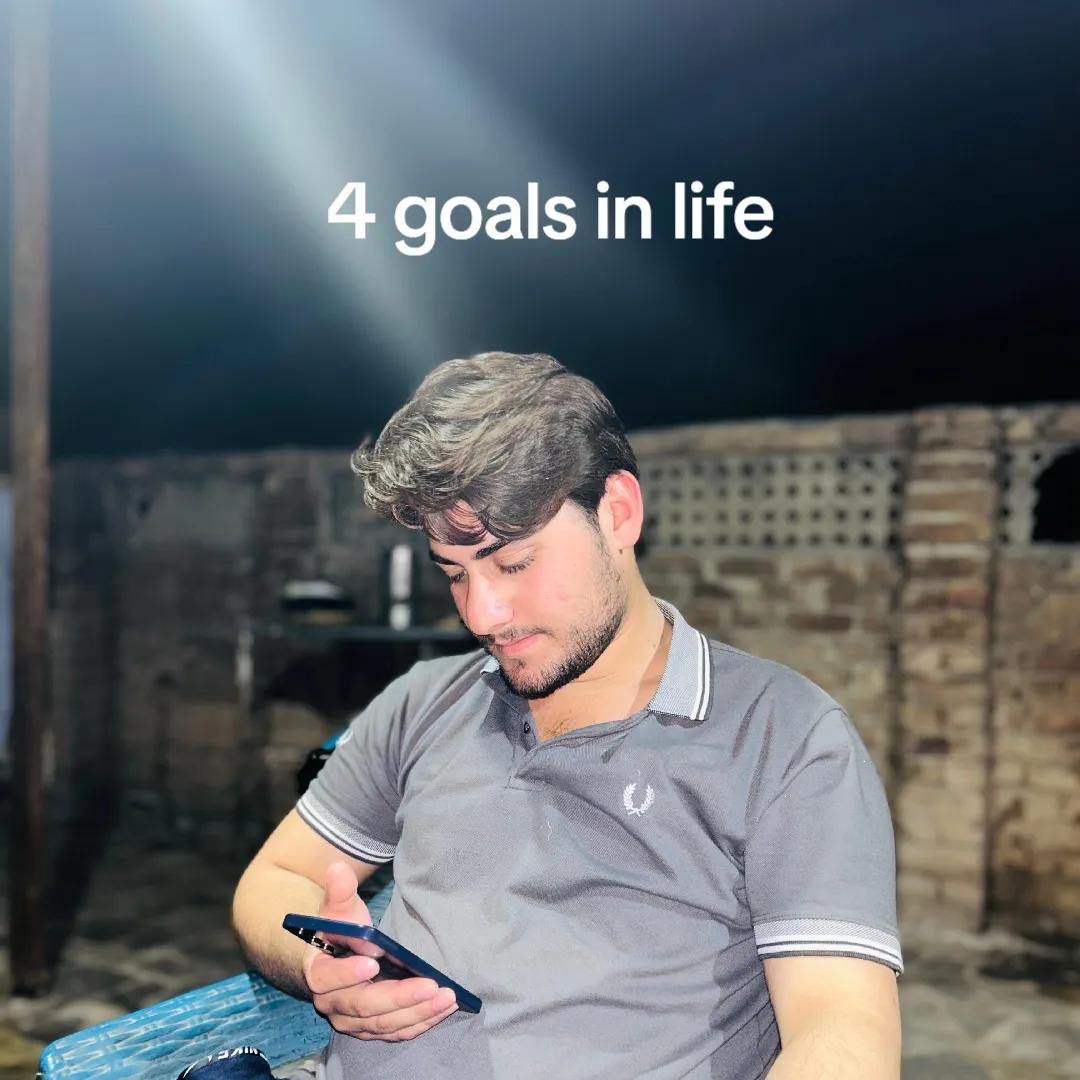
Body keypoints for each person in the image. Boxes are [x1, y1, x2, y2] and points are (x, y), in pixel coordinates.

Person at [232, 352, 903, 1079]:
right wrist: (318, 967)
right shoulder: (425, 702)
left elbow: (843, 1034)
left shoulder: (783, 738)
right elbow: (274, 878)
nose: (482, 614)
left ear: (618, 513)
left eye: (513, 564)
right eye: (455, 573)